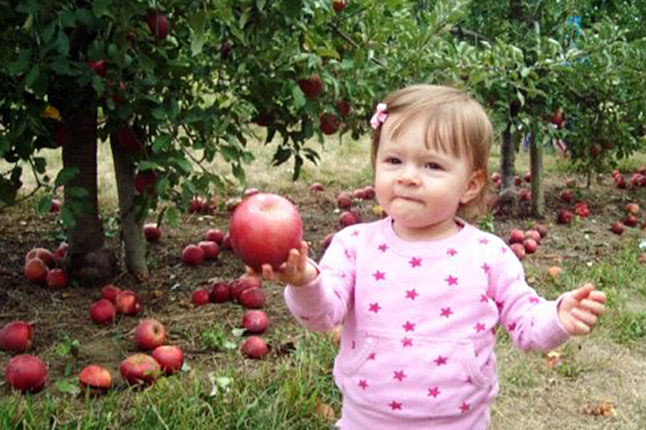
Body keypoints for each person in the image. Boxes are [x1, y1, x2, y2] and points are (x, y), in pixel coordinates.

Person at [252, 84, 606, 429]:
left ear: (470, 185)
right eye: (393, 160)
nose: (408, 177)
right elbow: (322, 316)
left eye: (432, 166)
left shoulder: (488, 256)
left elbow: (526, 325)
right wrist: (305, 283)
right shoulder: (355, 245)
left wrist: (558, 316)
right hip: (366, 420)